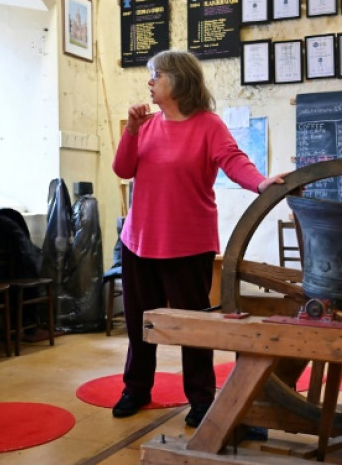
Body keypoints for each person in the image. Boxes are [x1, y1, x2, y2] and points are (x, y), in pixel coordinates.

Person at [111, 50, 284, 427]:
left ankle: (201, 399)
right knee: (141, 324)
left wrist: (261, 183)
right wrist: (130, 130)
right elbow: (122, 168)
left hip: (188, 243)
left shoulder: (209, 125)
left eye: (155, 74)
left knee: (194, 327)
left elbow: (234, 161)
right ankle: (136, 389)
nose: (149, 82)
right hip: (139, 240)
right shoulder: (146, 125)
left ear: (177, 79)